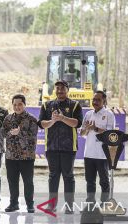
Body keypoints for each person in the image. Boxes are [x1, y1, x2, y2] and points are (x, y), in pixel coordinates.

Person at [38, 80, 83, 214]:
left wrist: (62, 118)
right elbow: (41, 124)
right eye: (57, 88)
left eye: (62, 88)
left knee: (68, 176)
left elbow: (77, 123)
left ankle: (69, 206)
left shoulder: (75, 105)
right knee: (53, 176)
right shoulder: (46, 105)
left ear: (67, 90)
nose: (59, 91)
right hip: (51, 147)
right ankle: (51, 205)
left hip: (68, 148)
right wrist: (52, 121)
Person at [2, 94, 38, 213]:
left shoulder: (32, 119)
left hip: (26, 157)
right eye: (15, 105)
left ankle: (29, 205)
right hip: (11, 157)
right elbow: (2, 134)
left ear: (24, 104)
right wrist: (11, 133)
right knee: (12, 182)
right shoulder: (8, 118)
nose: (17, 107)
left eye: (20, 104)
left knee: (28, 182)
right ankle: (14, 204)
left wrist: (20, 132)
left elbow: (33, 137)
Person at [80, 91, 115, 206]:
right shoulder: (88, 114)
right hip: (89, 153)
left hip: (102, 154)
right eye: (93, 99)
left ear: (104, 101)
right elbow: (82, 133)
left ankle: (104, 203)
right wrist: (87, 129)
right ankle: (90, 202)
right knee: (90, 181)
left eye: (98, 100)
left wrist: (95, 128)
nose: (95, 102)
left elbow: (111, 134)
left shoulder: (109, 114)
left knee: (104, 181)